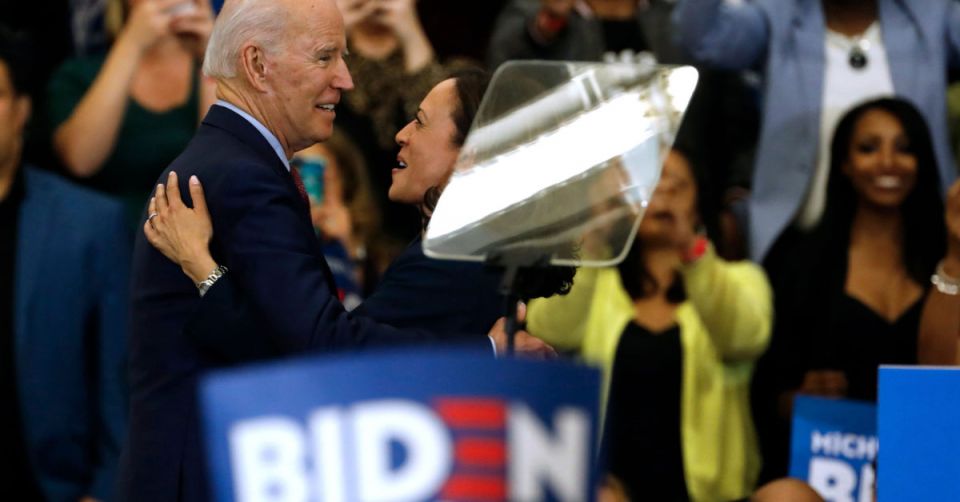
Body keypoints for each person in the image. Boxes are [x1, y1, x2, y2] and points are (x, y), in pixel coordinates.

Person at [120, 2, 552, 500]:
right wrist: (492, 352)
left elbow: (291, 347)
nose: (345, 79)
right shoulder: (242, 177)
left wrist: (207, 272)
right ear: (258, 65)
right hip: (202, 476)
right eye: (325, 57)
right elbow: (323, 352)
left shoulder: (239, 166)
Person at [147, 69, 528, 337]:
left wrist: (200, 265)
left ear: (471, 154)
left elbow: (333, 356)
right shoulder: (463, 247)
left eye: (420, 122)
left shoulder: (455, 255)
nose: (401, 134)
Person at [526, 148, 773, 501]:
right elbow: (550, 330)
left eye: (675, 186)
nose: (662, 194)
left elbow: (744, 338)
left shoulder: (740, 279)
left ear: (700, 201)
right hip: (611, 490)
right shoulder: (600, 283)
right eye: (649, 182)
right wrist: (596, 233)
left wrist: (689, 246)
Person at [753, 97, 960, 480]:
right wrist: (798, 397)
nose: (887, 162)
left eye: (904, 148)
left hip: (927, 459)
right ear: (844, 163)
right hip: (825, 467)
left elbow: (948, 379)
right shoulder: (797, 260)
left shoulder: (946, 254)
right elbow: (762, 392)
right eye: (868, 148)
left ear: (924, 161)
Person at [673, 0, 960, 262]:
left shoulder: (931, 15)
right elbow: (703, 40)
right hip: (800, 246)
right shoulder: (778, 16)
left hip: (922, 244)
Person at [0, 29, 129, 501]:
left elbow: (121, 377)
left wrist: (107, 489)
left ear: (22, 111)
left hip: (58, 487)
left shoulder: (90, 224)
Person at [47, 0, 217, 224]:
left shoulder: (217, 72)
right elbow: (81, 161)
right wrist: (132, 42)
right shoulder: (79, 75)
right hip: (109, 238)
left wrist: (214, 53)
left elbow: (218, 167)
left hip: (201, 235)